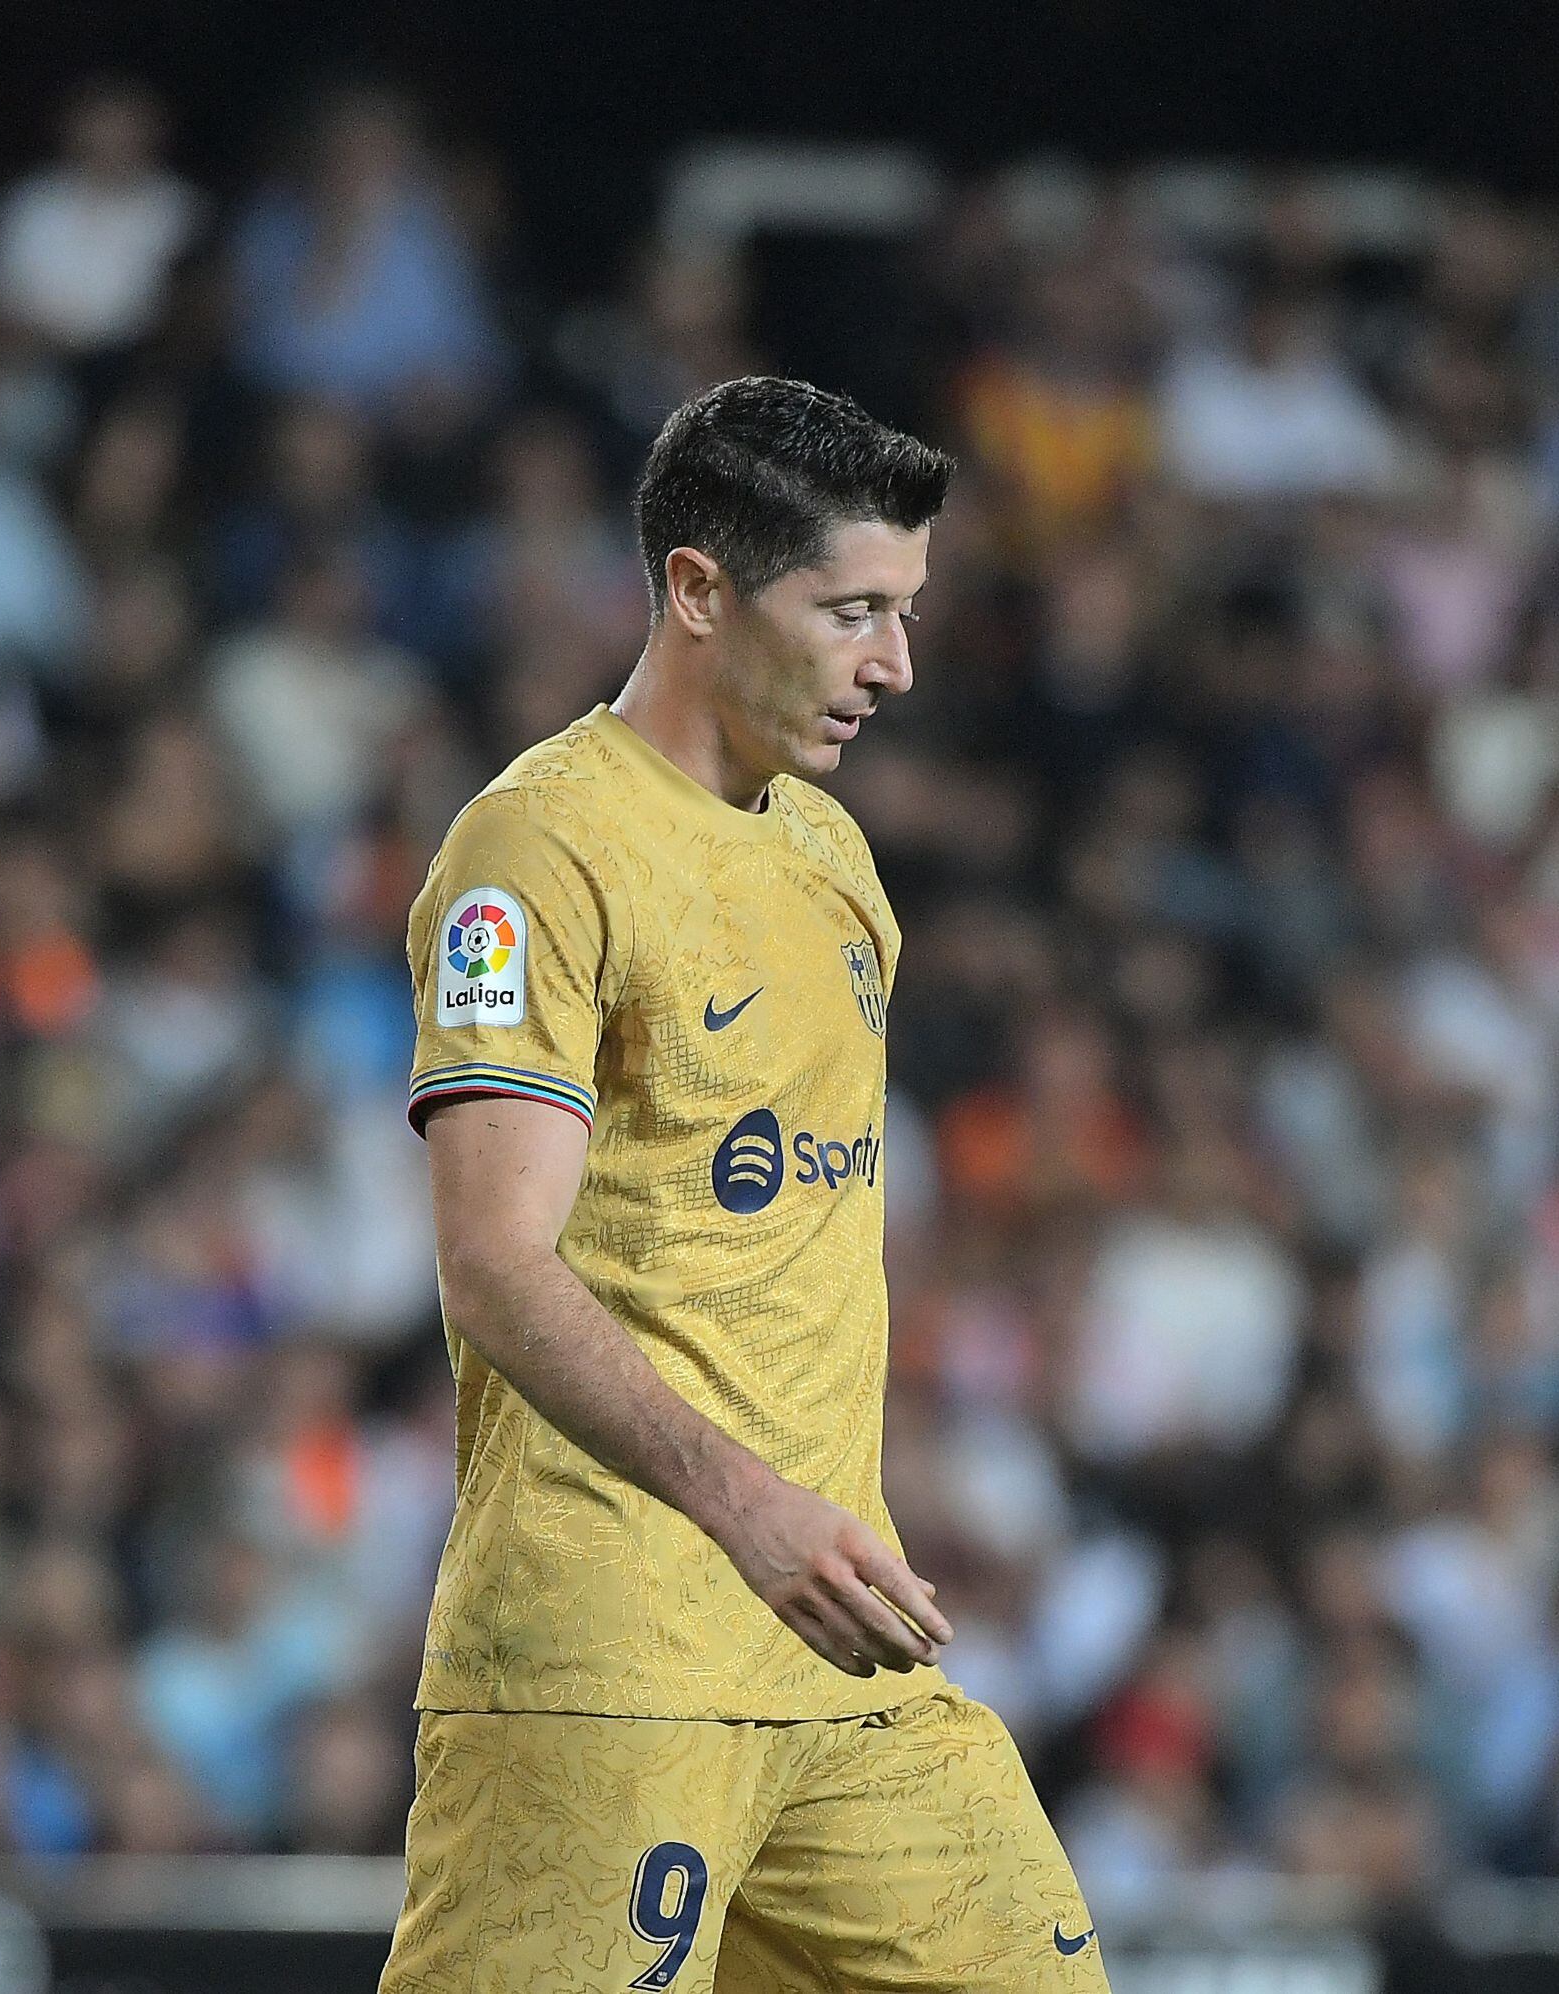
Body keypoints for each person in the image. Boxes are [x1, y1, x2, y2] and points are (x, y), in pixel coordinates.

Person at [381, 378, 1102, 1992]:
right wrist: (746, 1506)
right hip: (609, 1656)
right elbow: (496, 1263)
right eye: (852, 610)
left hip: (843, 1660)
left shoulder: (831, 857)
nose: (894, 663)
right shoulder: (537, 853)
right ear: (700, 591)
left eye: (905, 612)